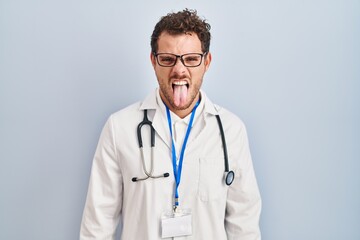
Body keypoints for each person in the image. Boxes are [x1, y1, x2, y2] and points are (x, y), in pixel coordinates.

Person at [80, 9, 261, 240]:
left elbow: (244, 225)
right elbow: (97, 225)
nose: (179, 70)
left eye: (191, 59)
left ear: (207, 62)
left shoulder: (231, 130)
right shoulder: (119, 128)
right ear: (153, 61)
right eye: (167, 59)